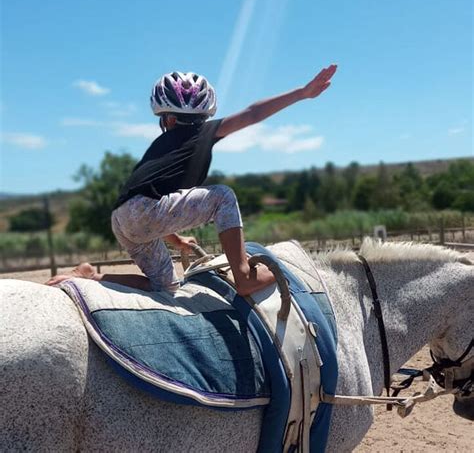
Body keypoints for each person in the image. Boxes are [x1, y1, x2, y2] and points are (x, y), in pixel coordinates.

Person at [47, 65, 337, 295]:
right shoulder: (205, 132)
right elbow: (253, 113)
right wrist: (301, 93)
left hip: (122, 220)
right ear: (204, 114)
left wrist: (175, 239)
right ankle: (244, 276)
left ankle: (91, 277)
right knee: (222, 196)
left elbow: (151, 197)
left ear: (167, 119)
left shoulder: (161, 149)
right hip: (145, 212)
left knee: (166, 287)